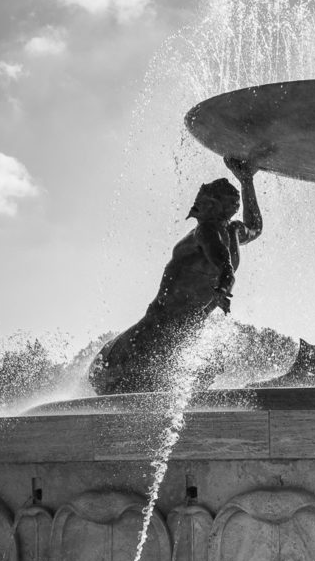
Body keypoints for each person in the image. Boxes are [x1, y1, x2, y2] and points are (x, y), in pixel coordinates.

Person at [89, 156, 262, 395]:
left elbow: (236, 253)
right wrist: (223, 289)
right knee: (130, 389)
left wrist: (246, 180)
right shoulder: (209, 232)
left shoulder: (220, 230)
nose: (195, 206)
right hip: (158, 328)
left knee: (168, 384)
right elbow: (227, 267)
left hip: (172, 330)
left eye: (203, 201)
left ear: (220, 207)